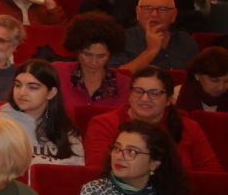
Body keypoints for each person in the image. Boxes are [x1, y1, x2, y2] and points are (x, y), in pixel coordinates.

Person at [84, 66, 223, 175]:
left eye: (154, 93)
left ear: (168, 100)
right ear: (130, 95)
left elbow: (212, 175)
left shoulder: (189, 127)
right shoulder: (104, 124)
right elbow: (99, 173)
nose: (145, 99)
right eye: (138, 91)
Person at [0, 59, 84, 164]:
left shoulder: (66, 128)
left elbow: (76, 168)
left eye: (32, 87)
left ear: (51, 93)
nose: (21, 92)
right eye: (18, 85)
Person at [124, 0, 201, 73]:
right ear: (137, 13)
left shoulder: (186, 41)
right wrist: (150, 51)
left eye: (163, 9)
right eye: (148, 8)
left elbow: (198, 76)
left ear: (174, 15)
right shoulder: (123, 39)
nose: (154, 14)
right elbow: (117, 77)